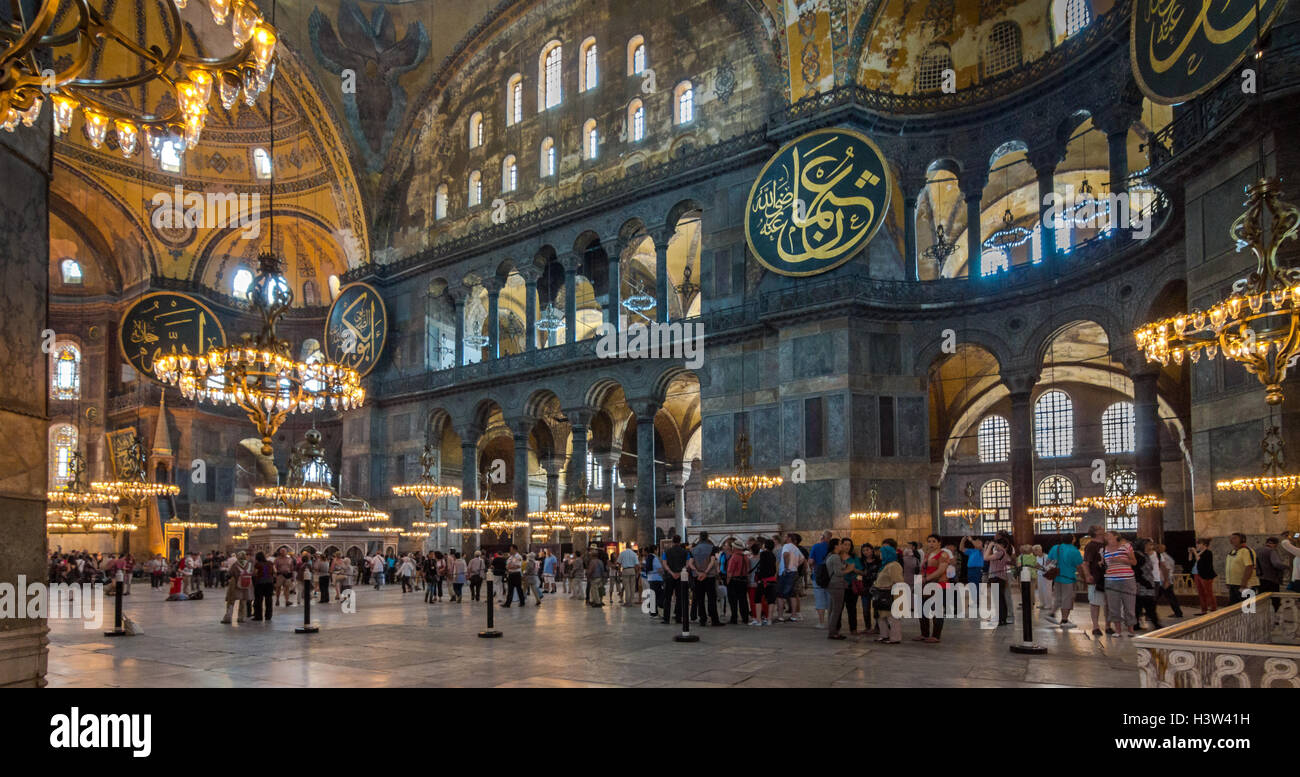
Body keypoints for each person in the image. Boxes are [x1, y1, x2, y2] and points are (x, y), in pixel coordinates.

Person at [1102, 531, 1138, 637]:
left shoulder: (1126, 547)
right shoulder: (1103, 549)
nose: (1106, 536)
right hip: (1111, 580)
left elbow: (1134, 562)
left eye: (1109, 534)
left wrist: (1122, 560)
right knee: (1113, 606)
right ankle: (1118, 630)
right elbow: (1104, 563)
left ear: (1116, 536)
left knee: (1129, 605)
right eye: (1105, 535)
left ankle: (1131, 630)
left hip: (1127, 579)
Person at [1044, 535, 1083, 628]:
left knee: (1058, 597)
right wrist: (1083, 576)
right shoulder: (1074, 551)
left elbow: (1048, 562)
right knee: (1067, 598)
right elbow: (1079, 566)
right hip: (1068, 577)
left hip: (1057, 577)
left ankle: (1052, 613)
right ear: (1073, 540)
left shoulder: (1056, 548)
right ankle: (1064, 620)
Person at [915, 534, 948, 643]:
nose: (931, 543)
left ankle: (936, 635)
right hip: (925, 585)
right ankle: (924, 633)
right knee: (922, 609)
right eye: (929, 541)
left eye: (934, 541)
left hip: (938, 584)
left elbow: (941, 570)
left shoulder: (943, 554)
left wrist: (927, 578)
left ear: (939, 543)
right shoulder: (927, 554)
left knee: (936, 610)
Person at [687, 532, 721, 626]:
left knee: (700, 599)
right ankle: (714, 620)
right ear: (707, 537)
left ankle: (703, 619)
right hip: (709, 577)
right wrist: (705, 572)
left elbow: (690, 563)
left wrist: (698, 572)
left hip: (697, 577)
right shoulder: (712, 548)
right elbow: (712, 561)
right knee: (711, 598)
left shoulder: (693, 549)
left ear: (699, 538)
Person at [872, 545, 904, 644]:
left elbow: (898, 581)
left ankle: (895, 638)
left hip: (890, 595)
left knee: (892, 617)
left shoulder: (893, 565)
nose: (879, 554)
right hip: (882, 594)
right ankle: (884, 635)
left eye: (882, 553)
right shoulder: (886, 565)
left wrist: (887, 588)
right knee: (882, 616)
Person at [1082, 525, 1109, 635]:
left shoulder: (1107, 544)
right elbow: (1086, 563)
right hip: (1096, 577)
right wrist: (1088, 575)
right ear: (1096, 532)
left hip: (1108, 577)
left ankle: (1108, 625)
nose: (1103, 530)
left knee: (1109, 603)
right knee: (1095, 602)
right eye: (1100, 529)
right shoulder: (1091, 546)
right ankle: (1095, 626)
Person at [984, 531, 1013, 626]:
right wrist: (988, 547)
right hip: (999, 577)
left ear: (1001, 545)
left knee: (999, 599)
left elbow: (986, 558)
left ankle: (1001, 619)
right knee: (1000, 599)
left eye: (997, 543)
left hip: (996, 577)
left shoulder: (1000, 553)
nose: (995, 545)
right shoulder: (1004, 553)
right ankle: (1002, 619)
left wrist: (990, 546)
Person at [1134, 539, 1161, 631]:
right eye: (1149, 545)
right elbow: (1137, 571)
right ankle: (1155, 623)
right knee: (1148, 604)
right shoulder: (1138, 555)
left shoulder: (1144, 555)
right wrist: (1145, 583)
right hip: (1143, 585)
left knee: (1140, 605)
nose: (1151, 547)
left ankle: (1137, 624)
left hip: (1146, 583)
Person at [808, 530, 833, 627]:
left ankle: (821, 622)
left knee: (819, 599)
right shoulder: (832, 548)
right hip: (830, 576)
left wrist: (812, 568)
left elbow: (810, 561)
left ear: (822, 536)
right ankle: (831, 622)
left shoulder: (816, 546)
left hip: (818, 575)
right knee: (830, 599)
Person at [825, 539, 849, 640]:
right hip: (837, 584)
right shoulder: (835, 557)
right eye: (840, 544)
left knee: (832, 609)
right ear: (836, 546)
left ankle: (831, 631)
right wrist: (849, 569)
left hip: (832, 584)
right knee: (836, 610)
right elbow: (838, 572)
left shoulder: (830, 555)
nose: (842, 546)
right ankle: (833, 632)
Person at [661, 536, 688, 624]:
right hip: (680, 577)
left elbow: (664, 564)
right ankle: (678, 618)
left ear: (672, 541)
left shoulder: (666, 551)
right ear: (680, 541)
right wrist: (679, 573)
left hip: (669, 577)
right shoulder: (685, 552)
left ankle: (666, 619)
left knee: (667, 598)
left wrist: (672, 573)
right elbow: (687, 564)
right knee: (679, 597)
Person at [1225, 533, 1258, 605]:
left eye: (1234, 538)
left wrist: (1244, 582)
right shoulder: (1233, 551)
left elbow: (1249, 567)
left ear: (1242, 539)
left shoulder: (1246, 551)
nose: (1231, 540)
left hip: (1246, 584)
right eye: (1231, 538)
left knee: (1248, 608)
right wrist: (1228, 581)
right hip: (1234, 584)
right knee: (1233, 607)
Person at [776, 533, 802, 623]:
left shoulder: (786, 546)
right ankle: (794, 615)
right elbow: (802, 559)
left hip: (786, 573)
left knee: (780, 594)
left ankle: (780, 616)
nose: (784, 538)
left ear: (789, 538)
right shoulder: (795, 548)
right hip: (794, 572)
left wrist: (787, 567)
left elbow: (786, 555)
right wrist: (795, 565)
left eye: (785, 537)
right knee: (792, 594)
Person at [221, 551, 252, 624]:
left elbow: (230, 573)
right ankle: (241, 617)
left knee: (231, 600)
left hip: (235, 583)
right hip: (245, 584)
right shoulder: (249, 564)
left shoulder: (235, 564)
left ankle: (228, 617)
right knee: (243, 601)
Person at [1154, 543, 1183, 617]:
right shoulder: (1167, 556)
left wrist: (1167, 581)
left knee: (1168, 597)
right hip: (1164, 580)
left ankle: (1178, 613)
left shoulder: (1163, 557)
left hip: (1164, 580)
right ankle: (1178, 612)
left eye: (1157, 548)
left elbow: (1166, 569)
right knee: (1167, 597)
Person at [1189, 538, 1217, 614]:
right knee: (1201, 593)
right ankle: (1203, 610)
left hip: (1206, 575)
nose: (1196, 545)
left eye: (1198, 543)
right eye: (1196, 543)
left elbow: (1200, 561)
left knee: (1208, 592)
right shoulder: (1198, 552)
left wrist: (1194, 552)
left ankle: (1213, 608)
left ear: (1204, 545)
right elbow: (1190, 561)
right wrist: (1191, 553)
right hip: (1196, 574)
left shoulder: (1208, 553)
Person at [251, 551, 276, 621]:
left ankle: (258, 616)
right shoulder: (270, 563)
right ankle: (268, 616)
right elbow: (274, 572)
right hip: (269, 583)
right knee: (269, 600)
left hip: (260, 583)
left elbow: (254, 573)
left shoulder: (257, 564)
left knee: (258, 600)